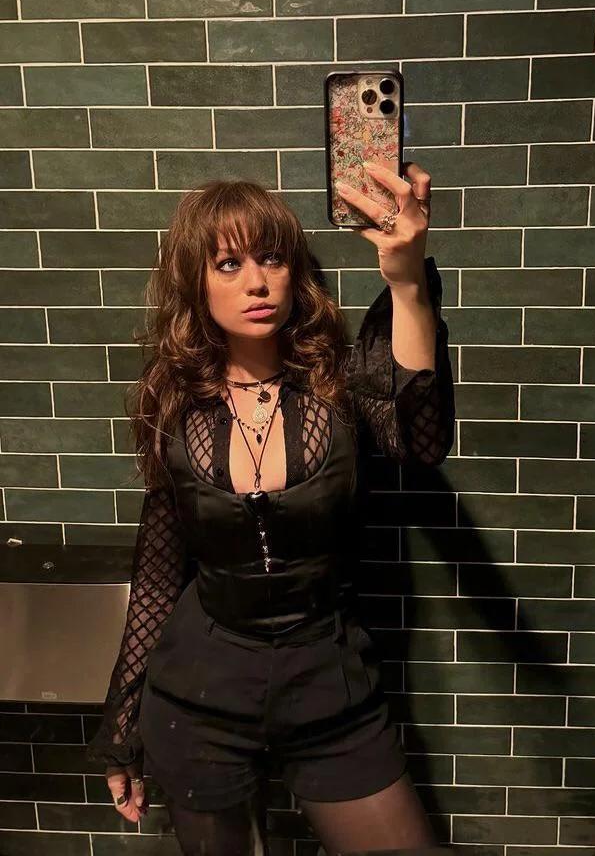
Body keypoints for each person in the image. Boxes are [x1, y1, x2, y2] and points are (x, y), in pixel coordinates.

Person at [86, 160, 456, 856]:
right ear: (196, 282)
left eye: (272, 259)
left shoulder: (340, 383)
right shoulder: (174, 401)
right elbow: (159, 575)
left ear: (295, 272)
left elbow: (423, 438)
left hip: (330, 687)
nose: (256, 282)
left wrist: (407, 280)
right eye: (228, 264)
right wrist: (122, 724)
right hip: (199, 697)